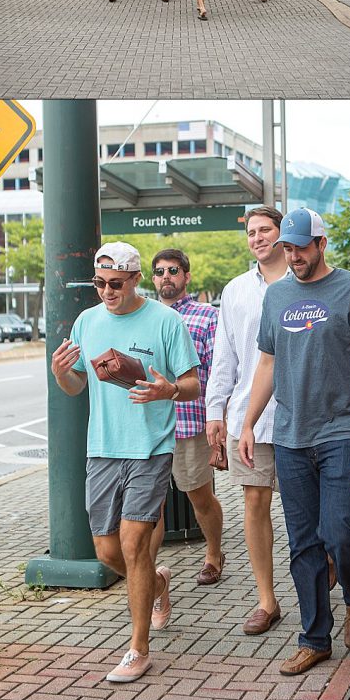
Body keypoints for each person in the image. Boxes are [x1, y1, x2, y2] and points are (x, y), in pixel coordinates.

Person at [239, 208, 350, 677]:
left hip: (343, 430)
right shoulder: (277, 295)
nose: (294, 257)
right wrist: (248, 423)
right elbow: (267, 363)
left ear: (321, 244)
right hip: (290, 436)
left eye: (301, 248)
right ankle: (314, 638)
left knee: (340, 530)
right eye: (288, 249)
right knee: (303, 542)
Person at [50, 242, 200, 684]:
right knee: (108, 552)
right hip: (102, 448)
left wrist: (168, 391)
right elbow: (76, 386)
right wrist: (60, 373)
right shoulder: (86, 321)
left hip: (151, 447)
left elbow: (192, 384)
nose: (107, 292)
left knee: (134, 545)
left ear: (135, 279)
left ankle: (138, 649)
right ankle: (158, 583)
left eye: (115, 283)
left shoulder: (166, 321)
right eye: (99, 283)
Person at [206, 206, 292, 635]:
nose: (257, 238)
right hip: (249, 419)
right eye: (251, 232)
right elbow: (225, 356)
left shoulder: (303, 281)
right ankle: (266, 600)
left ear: (282, 233)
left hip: (300, 416)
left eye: (265, 230)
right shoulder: (236, 290)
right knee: (255, 504)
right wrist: (215, 411)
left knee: (306, 508)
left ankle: (326, 561)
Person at [150, 248, 224, 585]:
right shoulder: (145, 316)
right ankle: (145, 572)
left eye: (173, 270)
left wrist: (218, 419)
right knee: (150, 506)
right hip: (150, 426)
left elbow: (219, 371)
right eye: (160, 272)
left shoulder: (207, 317)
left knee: (199, 496)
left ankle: (214, 553)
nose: (166, 277)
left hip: (190, 423)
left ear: (186, 276)